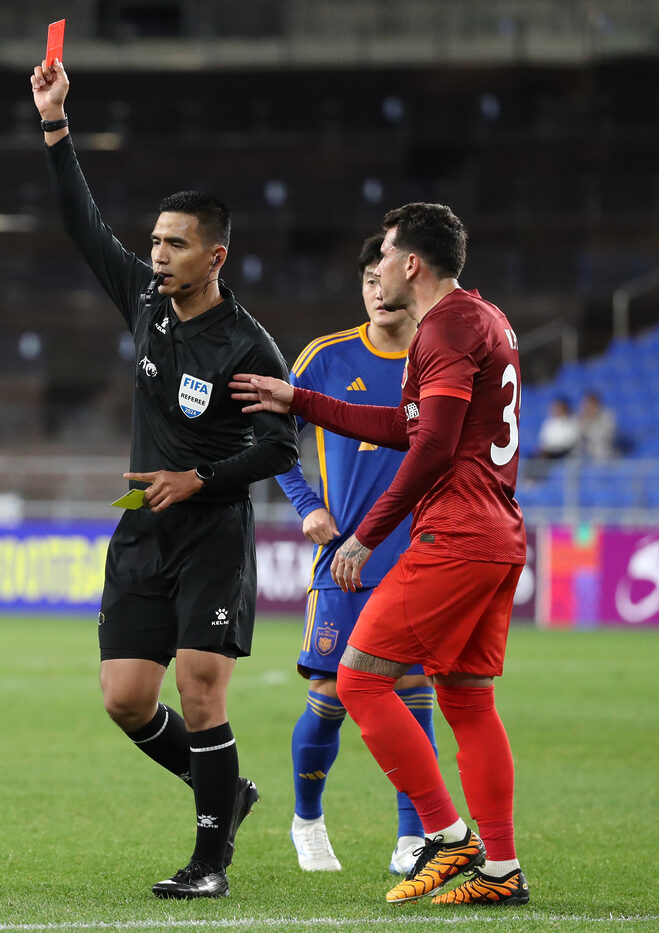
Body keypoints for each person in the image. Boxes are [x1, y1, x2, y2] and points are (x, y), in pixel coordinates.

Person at [31, 59, 299, 899]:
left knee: (201, 689)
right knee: (125, 697)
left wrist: (201, 477)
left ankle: (209, 863)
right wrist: (55, 125)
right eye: (153, 241)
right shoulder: (146, 302)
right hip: (143, 527)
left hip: (211, 533)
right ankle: (227, 790)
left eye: (174, 244)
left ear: (215, 255)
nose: (156, 254)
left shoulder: (248, 346)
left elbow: (280, 450)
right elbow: (81, 224)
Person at [232, 202, 531, 907]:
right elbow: (408, 425)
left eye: (387, 254)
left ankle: (446, 836)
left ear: (411, 263)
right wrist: (299, 399)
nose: (378, 268)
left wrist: (366, 534)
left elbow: (432, 447)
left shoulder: (445, 327)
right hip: (499, 533)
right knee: (468, 700)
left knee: (360, 680)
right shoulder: (487, 318)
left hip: (455, 535)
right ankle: (501, 870)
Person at [276, 234, 435, 876]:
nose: (376, 290)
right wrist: (306, 504)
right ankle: (307, 821)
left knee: (415, 693)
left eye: (383, 277)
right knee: (330, 694)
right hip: (345, 561)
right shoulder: (326, 357)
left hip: (417, 559)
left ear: (409, 280)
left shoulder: (439, 358)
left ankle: (413, 838)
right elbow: (272, 437)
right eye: (366, 279)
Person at [578, 391, 618, 459]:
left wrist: (594, 420)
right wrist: (585, 422)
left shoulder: (607, 416)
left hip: (605, 455)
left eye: (591, 405)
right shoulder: (581, 418)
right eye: (586, 405)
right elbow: (577, 437)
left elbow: (608, 436)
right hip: (585, 456)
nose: (588, 408)